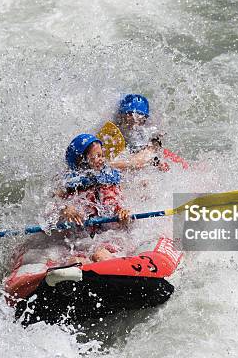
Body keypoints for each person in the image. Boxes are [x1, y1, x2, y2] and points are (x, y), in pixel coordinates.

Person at [57, 133, 132, 262]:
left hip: (105, 238)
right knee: (74, 261)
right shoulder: (70, 186)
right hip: (80, 241)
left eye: (102, 155)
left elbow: (120, 211)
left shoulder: (107, 184)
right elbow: (55, 207)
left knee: (99, 255)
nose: (102, 159)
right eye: (97, 156)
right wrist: (65, 209)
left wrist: (123, 214)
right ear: (82, 160)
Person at [110, 94, 188, 171]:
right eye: (130, 116)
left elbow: (138, 162)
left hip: (161, 156)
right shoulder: (112, 131)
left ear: (145, 120)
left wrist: (110, 164)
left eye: (140, 119)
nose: (134, 123)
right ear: (121, 116)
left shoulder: (150, 136)